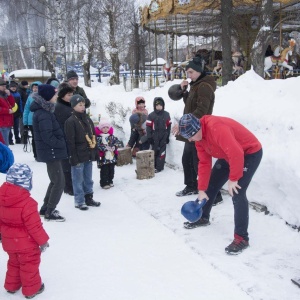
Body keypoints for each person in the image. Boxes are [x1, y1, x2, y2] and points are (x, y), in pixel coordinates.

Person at [178, 113, 263, 255]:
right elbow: (204, 163)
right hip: (227, 154)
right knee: (209, 186)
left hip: (249, 152)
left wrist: (234, 178)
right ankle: (203, 217)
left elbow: (236, 151)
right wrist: (201, 189)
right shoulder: (199, 140)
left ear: (197, 129)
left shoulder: (215, 127)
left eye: (191, 136)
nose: (190, 139)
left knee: (237, 192)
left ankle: (242, 238)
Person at [172, 55, 223, 205]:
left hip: (198, 130)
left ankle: (215, 194)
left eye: (191, 72)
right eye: (187, 73)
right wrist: (184, 92)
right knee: (187, 159)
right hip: (191, 128)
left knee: (199, 162)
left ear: (199, 71)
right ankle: (191, 185)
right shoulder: (196, 84)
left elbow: (202, 110)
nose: (189, 75)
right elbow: (191, 104)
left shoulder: (205, 87)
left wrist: (183, 125)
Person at [0, 163, 49, 299]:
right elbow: (34, 227)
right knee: (29, 264)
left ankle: (11, 286)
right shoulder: (28, 203)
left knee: (14, 262)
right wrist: (43, 241)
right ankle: (32, 289)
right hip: (26, 244)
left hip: (9, 242)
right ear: (26, 182)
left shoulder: (1, 199)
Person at [31, 84, 67, 222]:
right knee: (59, 182)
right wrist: (61, 143)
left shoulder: (45, 111)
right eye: (54, 94)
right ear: (47, 97)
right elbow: (48, 137)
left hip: (51, 152)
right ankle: (50, 211)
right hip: (51, 152)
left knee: (55, 180)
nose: (57, 96)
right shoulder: (43, 114)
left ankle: (46, 208)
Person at [64, 94, 100, 210]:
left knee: (88, 178)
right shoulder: (70, 121)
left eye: (83, 104)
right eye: (80, 105)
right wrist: (73, 157)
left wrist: (95, 152)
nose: (82, 107)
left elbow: (93, 135)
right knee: (78, 179)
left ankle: (89, 197)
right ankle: (79, 201)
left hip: (88, 153)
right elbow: (70, 141)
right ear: (73, 106)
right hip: (78, 155)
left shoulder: (88, 119)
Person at [54, 82, 74, 195]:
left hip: (70, 138)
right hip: (64, 138)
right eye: (68, 95)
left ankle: (71, 184)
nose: (71, 97)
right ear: (62, 96)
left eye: (72, 95)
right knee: (66, 163)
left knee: (71, 162)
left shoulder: (69, 105)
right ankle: (68, 186)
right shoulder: (59, 107)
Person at [146, 97, 171, 173]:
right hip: (154, 136)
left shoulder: (166, 114)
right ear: (154, 106)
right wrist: (149, 137)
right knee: (155, 151)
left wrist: (167, 136)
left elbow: (169, 126)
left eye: (160, 105)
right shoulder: (151, 115)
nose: (159, 107)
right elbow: (148, 127)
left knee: (162, 152)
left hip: (163, 135)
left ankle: (160, 167)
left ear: (163, 106)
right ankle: (153, 166)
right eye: (157, 106)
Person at [95, 118, 122, 189]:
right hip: (103, 158)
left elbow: (117, 142)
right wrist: (105, 148)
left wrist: (114, 146)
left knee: (111, 169)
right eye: (103, 127)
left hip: (112, 157)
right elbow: (97, 145)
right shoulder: (99, 137)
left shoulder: (111, 136)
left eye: (107, 127)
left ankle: (110, 180)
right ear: (100, 128)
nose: (105, 129)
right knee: (104, 170)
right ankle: (104, 182)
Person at [23, 81, 42, 159]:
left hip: (41, 120)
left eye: (37, 87)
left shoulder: (43, 97)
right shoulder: (30, 97)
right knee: (35, 138)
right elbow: (26, 109)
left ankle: (42, 153)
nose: (35, 89)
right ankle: (36, 154)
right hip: (31, 121)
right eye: (34, 87)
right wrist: (25, 123)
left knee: (42, 138)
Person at [0, 78, 15, 146]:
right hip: (2, 123)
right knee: (4, 144)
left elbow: (12, 104)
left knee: (6, 143)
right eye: (2, 86)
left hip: (7, 122)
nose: (4, 88)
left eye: (5, 86)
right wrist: (7, 111)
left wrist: (9, 95)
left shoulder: (5, 95)